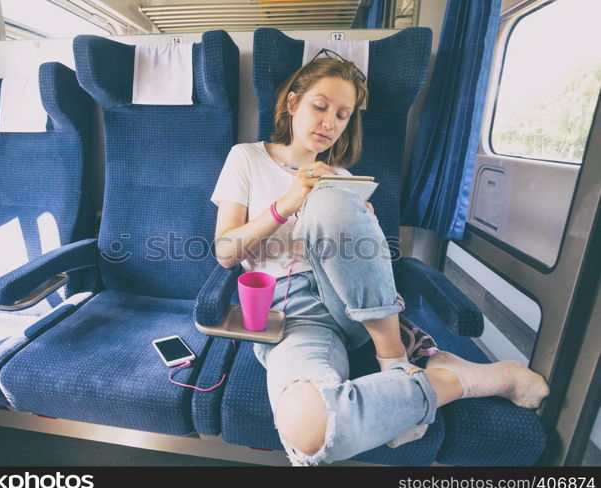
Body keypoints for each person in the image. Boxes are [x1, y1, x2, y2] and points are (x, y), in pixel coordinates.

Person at [209, 51, 550, 466]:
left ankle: (395, 361)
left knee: (332, 205)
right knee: (308, 430)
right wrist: (288, 202)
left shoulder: (346, 180)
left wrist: (356, 225)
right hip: (290, 314)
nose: (329, 123)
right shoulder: (246, 158)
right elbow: (226, 253)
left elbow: (368, 267)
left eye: (342, 115)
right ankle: (454, 379)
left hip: (350, 303)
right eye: (320, 106)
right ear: (293, 102)